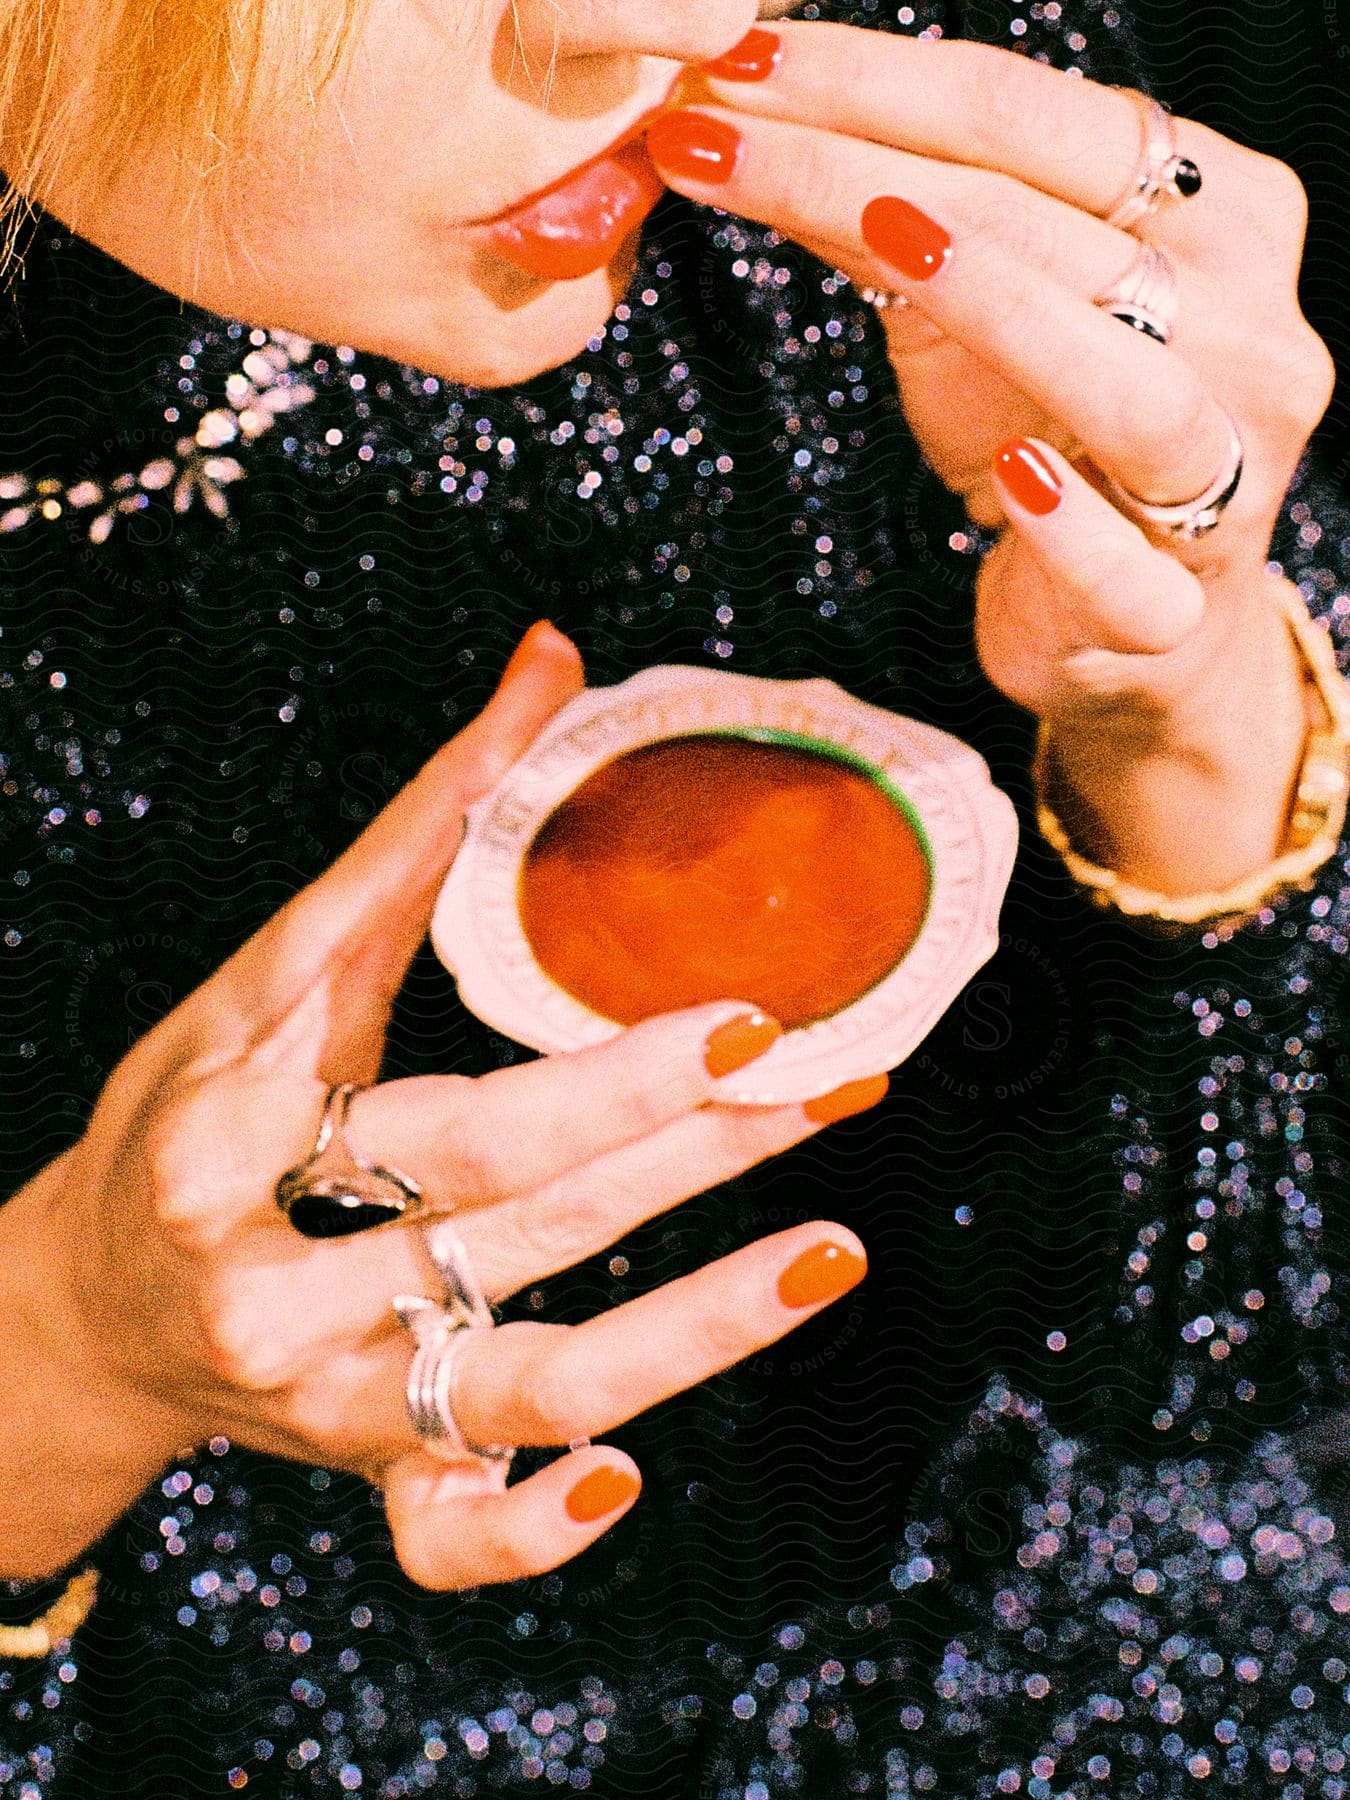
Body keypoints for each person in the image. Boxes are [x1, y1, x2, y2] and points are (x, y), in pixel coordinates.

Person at [0, 0, 1346, 1793]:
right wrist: (63, 1359)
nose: (694, 15)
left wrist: (1183, 711)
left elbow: (1224, 1354)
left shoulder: (893, 120)